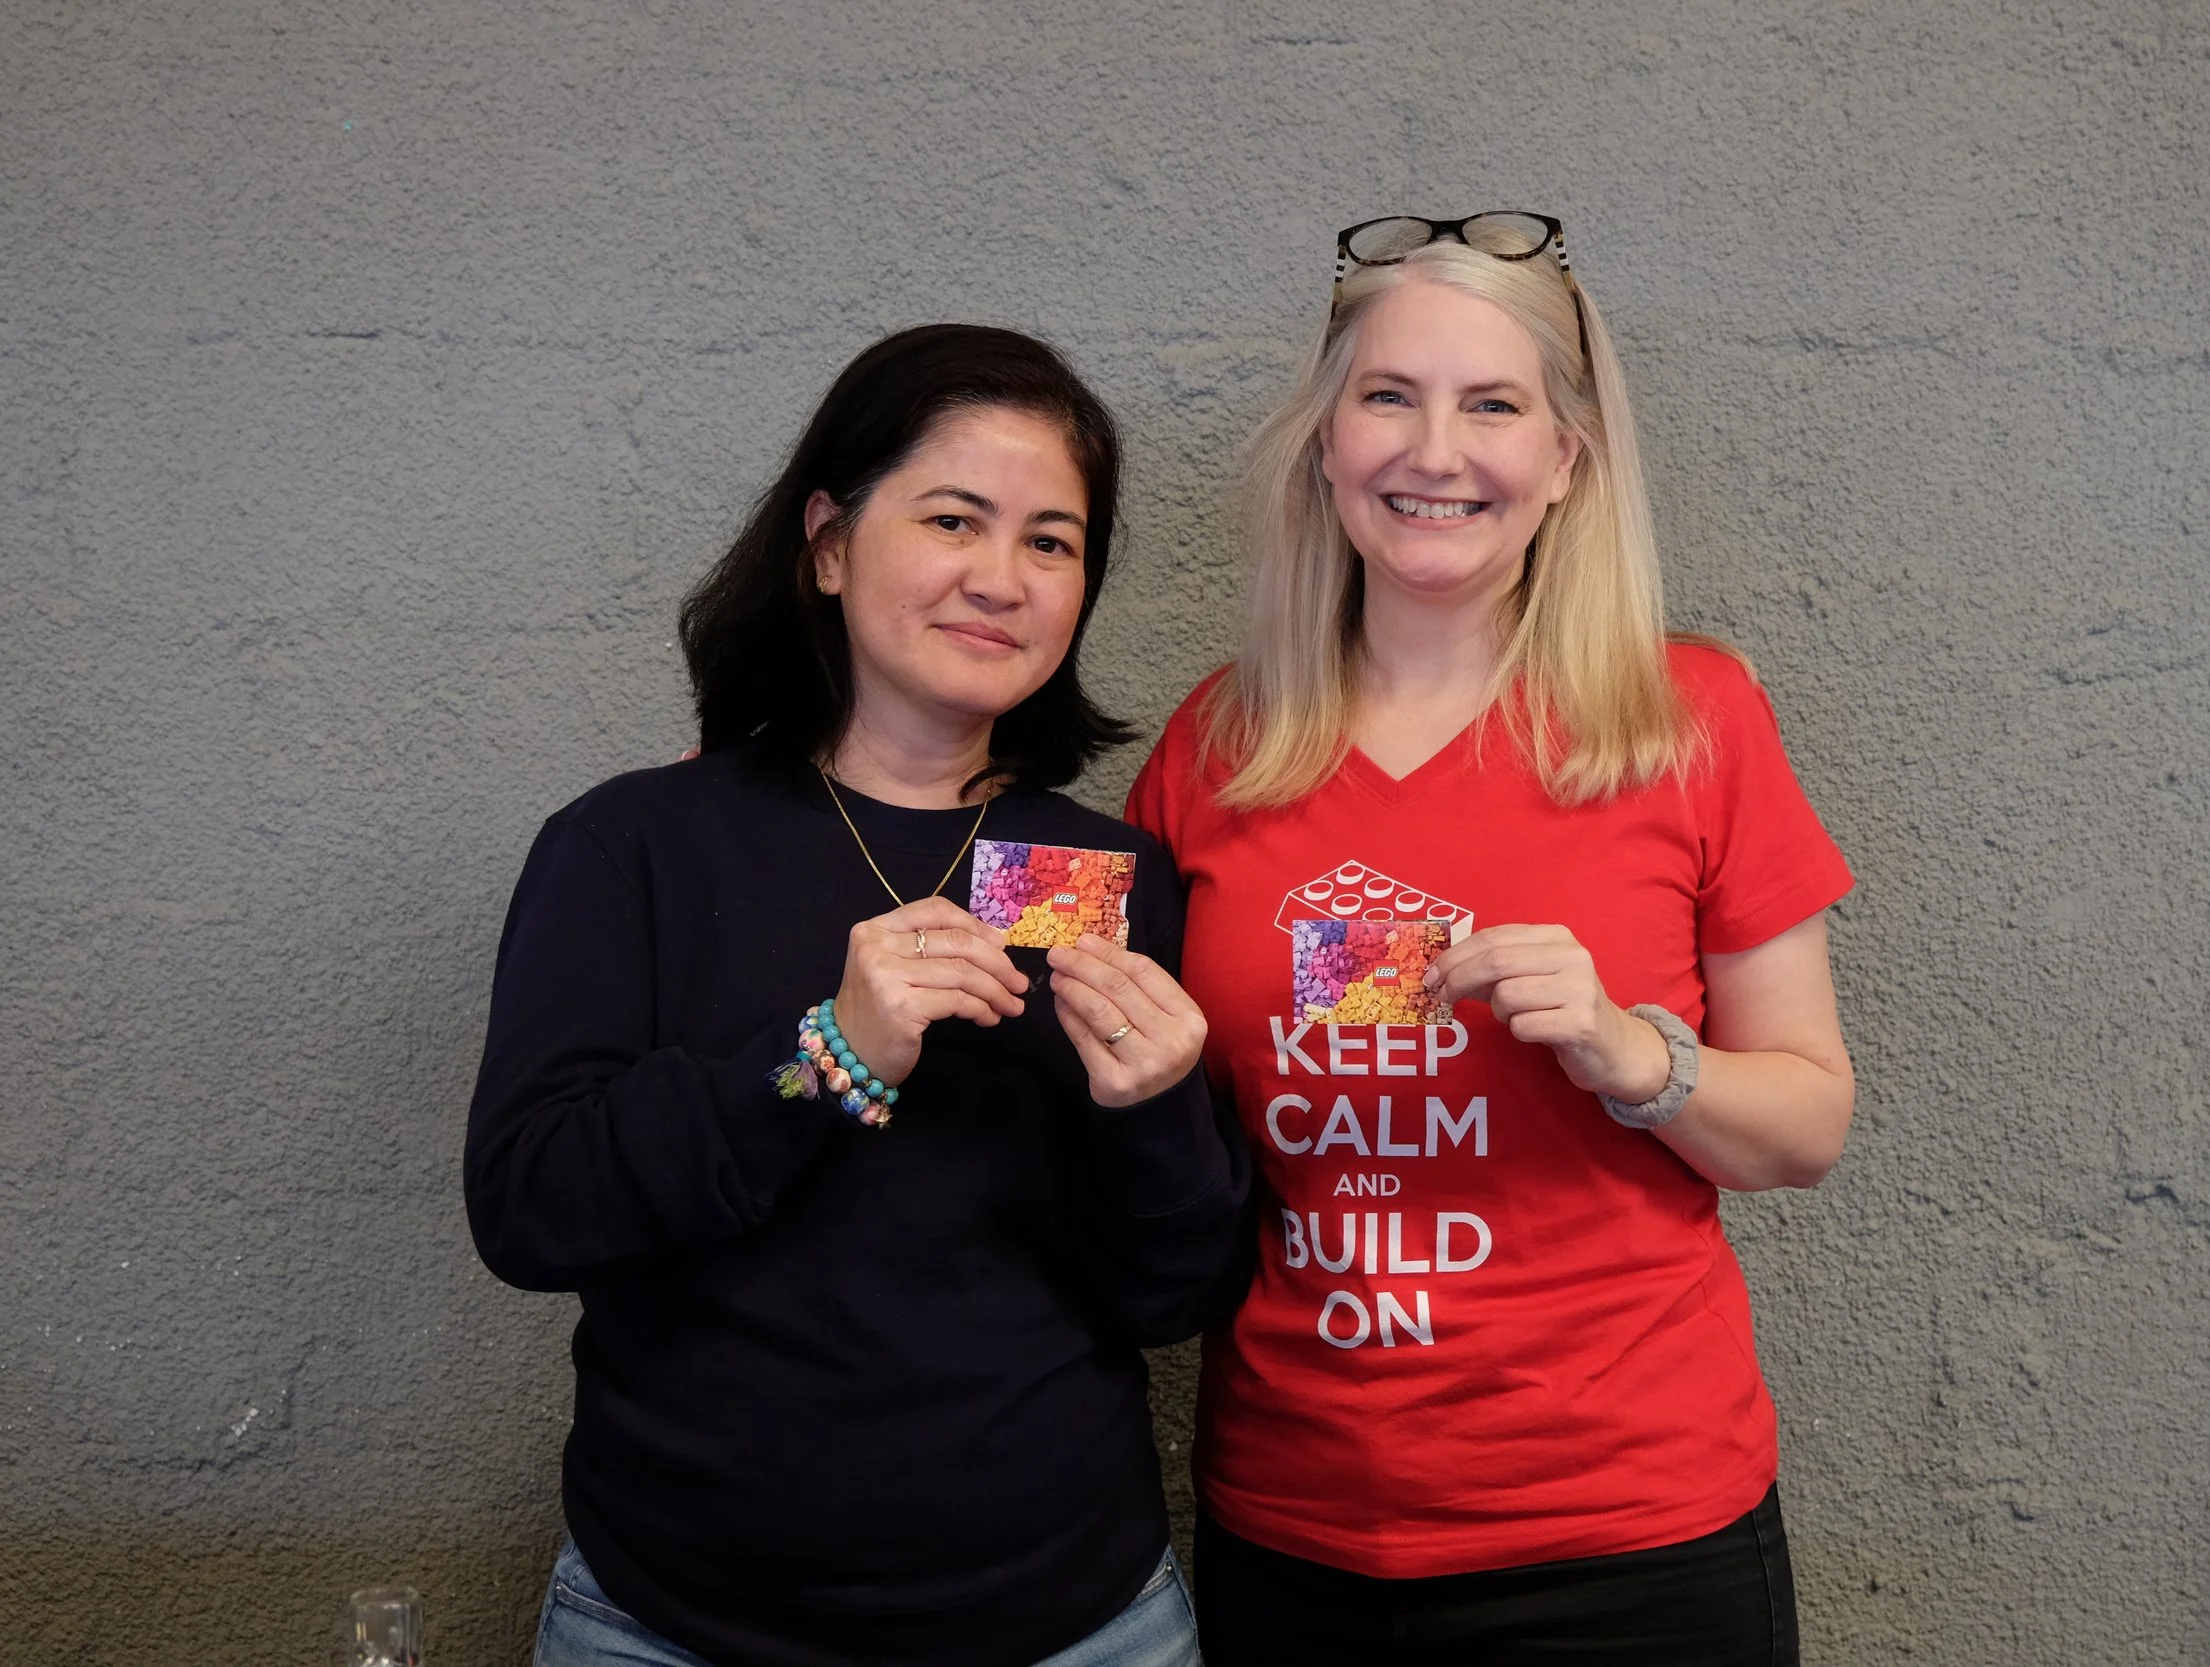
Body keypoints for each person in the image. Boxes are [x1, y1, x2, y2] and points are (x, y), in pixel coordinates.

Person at [1124, 215, 1855, 1665]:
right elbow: (1162, 1136)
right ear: (1326, 441)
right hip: (1296, 1525)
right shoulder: (1217, 746)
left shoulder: (1689, 720)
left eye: (1495, 405)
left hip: (1631, 1542)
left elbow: (1807, 1124)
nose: (1435, 451)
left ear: (1569, 458)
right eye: (1389, 396)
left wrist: (1633, 1055)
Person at [467, 323, 1250, 1667]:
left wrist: (1159, 1113)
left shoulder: (1106, 873)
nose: (1000, 578)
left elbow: (1166, 1295)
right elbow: (531, 1208)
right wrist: (826, 1057)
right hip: (674, 1619)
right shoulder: (636, 844)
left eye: (1052, 542)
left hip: (1077, 1622)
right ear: (828, 544)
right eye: (954, 520)